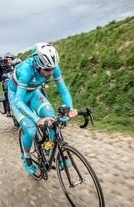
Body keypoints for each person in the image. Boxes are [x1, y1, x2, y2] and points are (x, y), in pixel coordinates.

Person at [7, 43, 78, 175]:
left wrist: (70, 108)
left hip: (33, 92)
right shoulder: (26, 70)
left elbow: (63, 90)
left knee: (52, 119)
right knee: (31, 129)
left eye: (52, 69)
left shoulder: (52, 67)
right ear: (38, 64)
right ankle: (26, 156)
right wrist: (37, 119)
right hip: (17, 96)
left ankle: (48, 148)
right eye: (47, 70)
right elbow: (18, 101)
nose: (50, 73)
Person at [0, 52, 21, 116]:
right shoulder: (4, 68)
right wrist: (2, 74)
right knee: (7, 93)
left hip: (19, 84)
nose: (8, 61)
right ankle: (8, 110)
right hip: (8, 85)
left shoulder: (16, 64)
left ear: (13, 59)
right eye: (6, 59)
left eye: (9, 59)